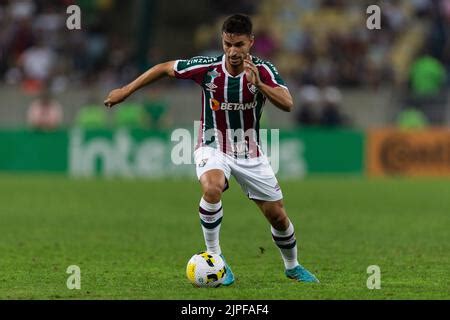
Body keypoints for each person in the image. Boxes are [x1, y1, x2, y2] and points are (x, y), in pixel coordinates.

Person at [104, 14, 319, 285]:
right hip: (212, 144)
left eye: (239, 44)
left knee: (277, 216)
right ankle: (216, 258)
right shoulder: (208, 68)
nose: (232, 51)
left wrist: (260, 85)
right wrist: (126, 90)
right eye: (228, 44)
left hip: (249, 152)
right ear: (222, 41)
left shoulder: (263, 70)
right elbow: (164, 67)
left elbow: (288, 103)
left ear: (251, 43)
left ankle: (292, 266)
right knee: (212, 187)